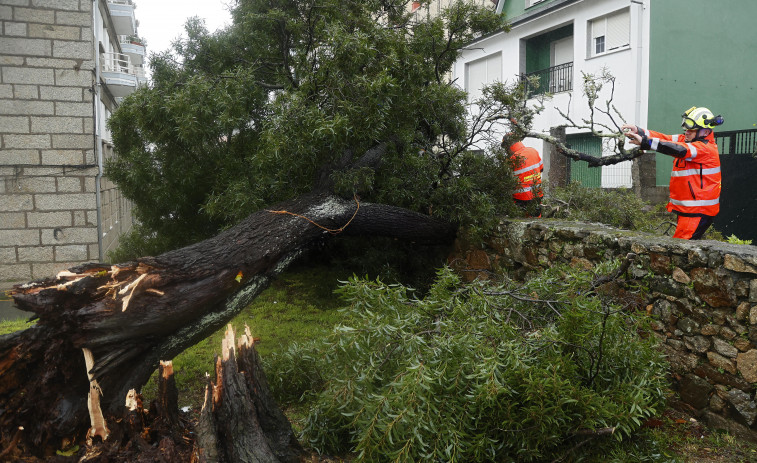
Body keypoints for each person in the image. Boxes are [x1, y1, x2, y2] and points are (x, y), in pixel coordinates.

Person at [622, 106, 724, 240]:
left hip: (697, 211)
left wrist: (646, 142)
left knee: (680, 250)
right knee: (681, 250)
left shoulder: (705, 149)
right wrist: (640, 132)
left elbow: (678, 149)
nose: (686, 132)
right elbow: (665, 138)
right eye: (686, 129)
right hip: (691, 210)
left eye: (691, 130)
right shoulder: (688, 140)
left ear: (704, 131)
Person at [503, 135, 544, 217]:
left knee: (521, 222)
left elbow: (505, 181)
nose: (505, 150)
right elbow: (541, 169)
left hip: (520, 198)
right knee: (536, 221)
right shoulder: (533, 151)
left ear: (509, 145)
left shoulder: (511, 160)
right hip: (537, 194)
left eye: (505, 147)